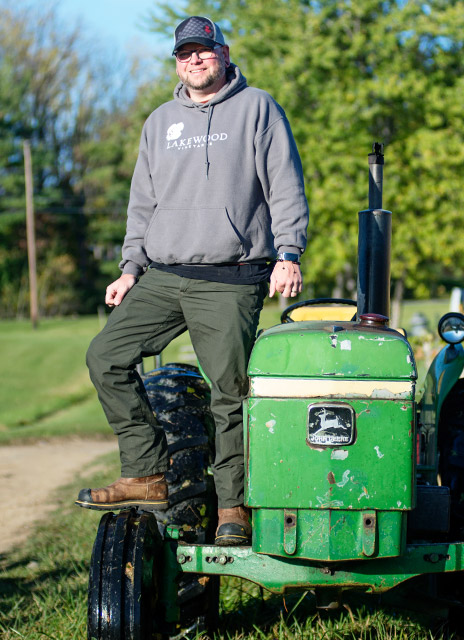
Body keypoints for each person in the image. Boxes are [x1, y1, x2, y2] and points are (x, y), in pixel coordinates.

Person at [75, 16, 309, 547]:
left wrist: (288, 253)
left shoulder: (258, 109)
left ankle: (233, 507)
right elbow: (143, 202)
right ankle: (147, 473)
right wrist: (130, 268)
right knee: (105, 357)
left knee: (229, 393)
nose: (196, 60)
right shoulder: (160, 121)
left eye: (204, 50)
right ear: (177, 62)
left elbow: (285, 186)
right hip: (162, 274)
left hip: (230, 278)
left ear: (224, 53)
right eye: (186, 54)